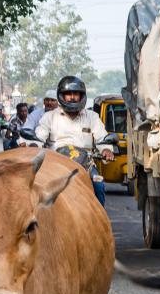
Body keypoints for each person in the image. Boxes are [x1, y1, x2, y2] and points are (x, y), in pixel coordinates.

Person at [35, 76, 114, 205]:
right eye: (68, 94)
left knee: (98, 186)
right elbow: (39, 136)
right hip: (55, 164)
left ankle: (99, 224)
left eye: (76, 93)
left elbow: (102, 138)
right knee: (36, 189)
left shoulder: (92, 117)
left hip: (85, 165)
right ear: (61, 96)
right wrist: (34, 145)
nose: (72, 97)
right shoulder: (49, 117)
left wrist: (106, 149)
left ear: (82, 95)